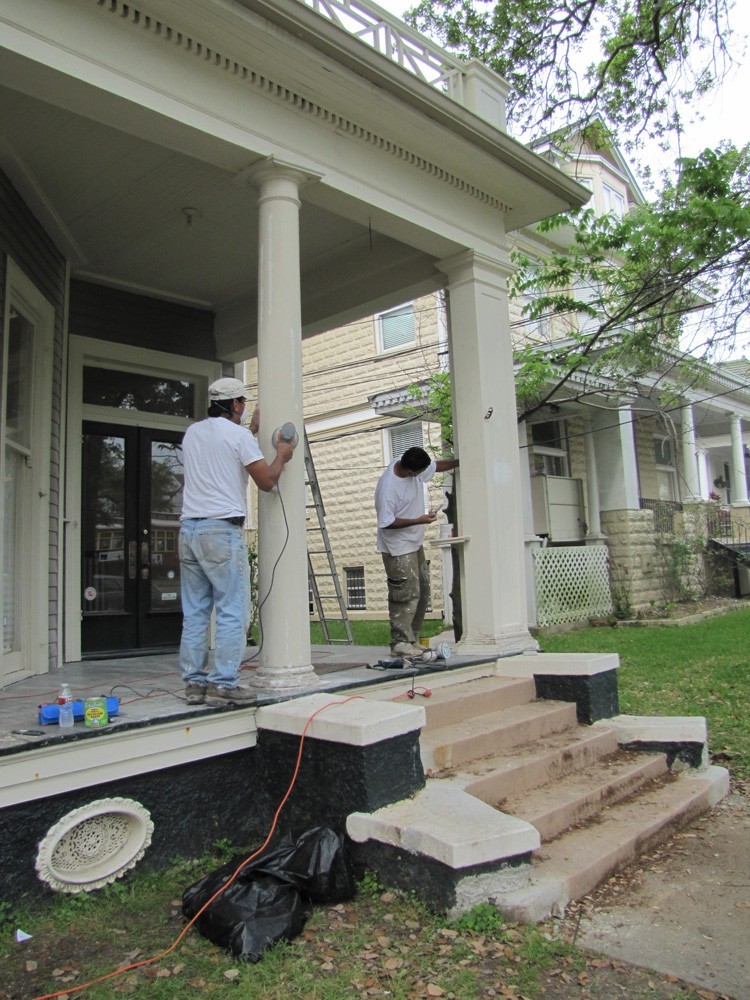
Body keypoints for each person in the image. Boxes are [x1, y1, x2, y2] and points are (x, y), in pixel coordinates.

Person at [179, 377, 294, 706]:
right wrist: (282, 455)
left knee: (197, 612)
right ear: (236, 405)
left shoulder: (193, 433)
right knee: (232, 610)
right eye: (241, 403)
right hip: (220, 531)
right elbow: (267, 482)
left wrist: (251, 434)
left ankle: (194, 685)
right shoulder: (239, 436)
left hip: (189, 530)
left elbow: (221, 453)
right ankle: (225, 684)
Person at [375, 446, 459, 658]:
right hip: (397, 548)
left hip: (413, 542)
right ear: (411, 472)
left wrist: (459, 462)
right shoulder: (389, 489)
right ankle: (400, 643)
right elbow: (386, 522)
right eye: (420, 473)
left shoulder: (408, 463)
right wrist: (418, 520)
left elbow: (435, 466)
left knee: (422, 590)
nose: (424, 474)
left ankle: (412, 638)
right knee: (405, 593)